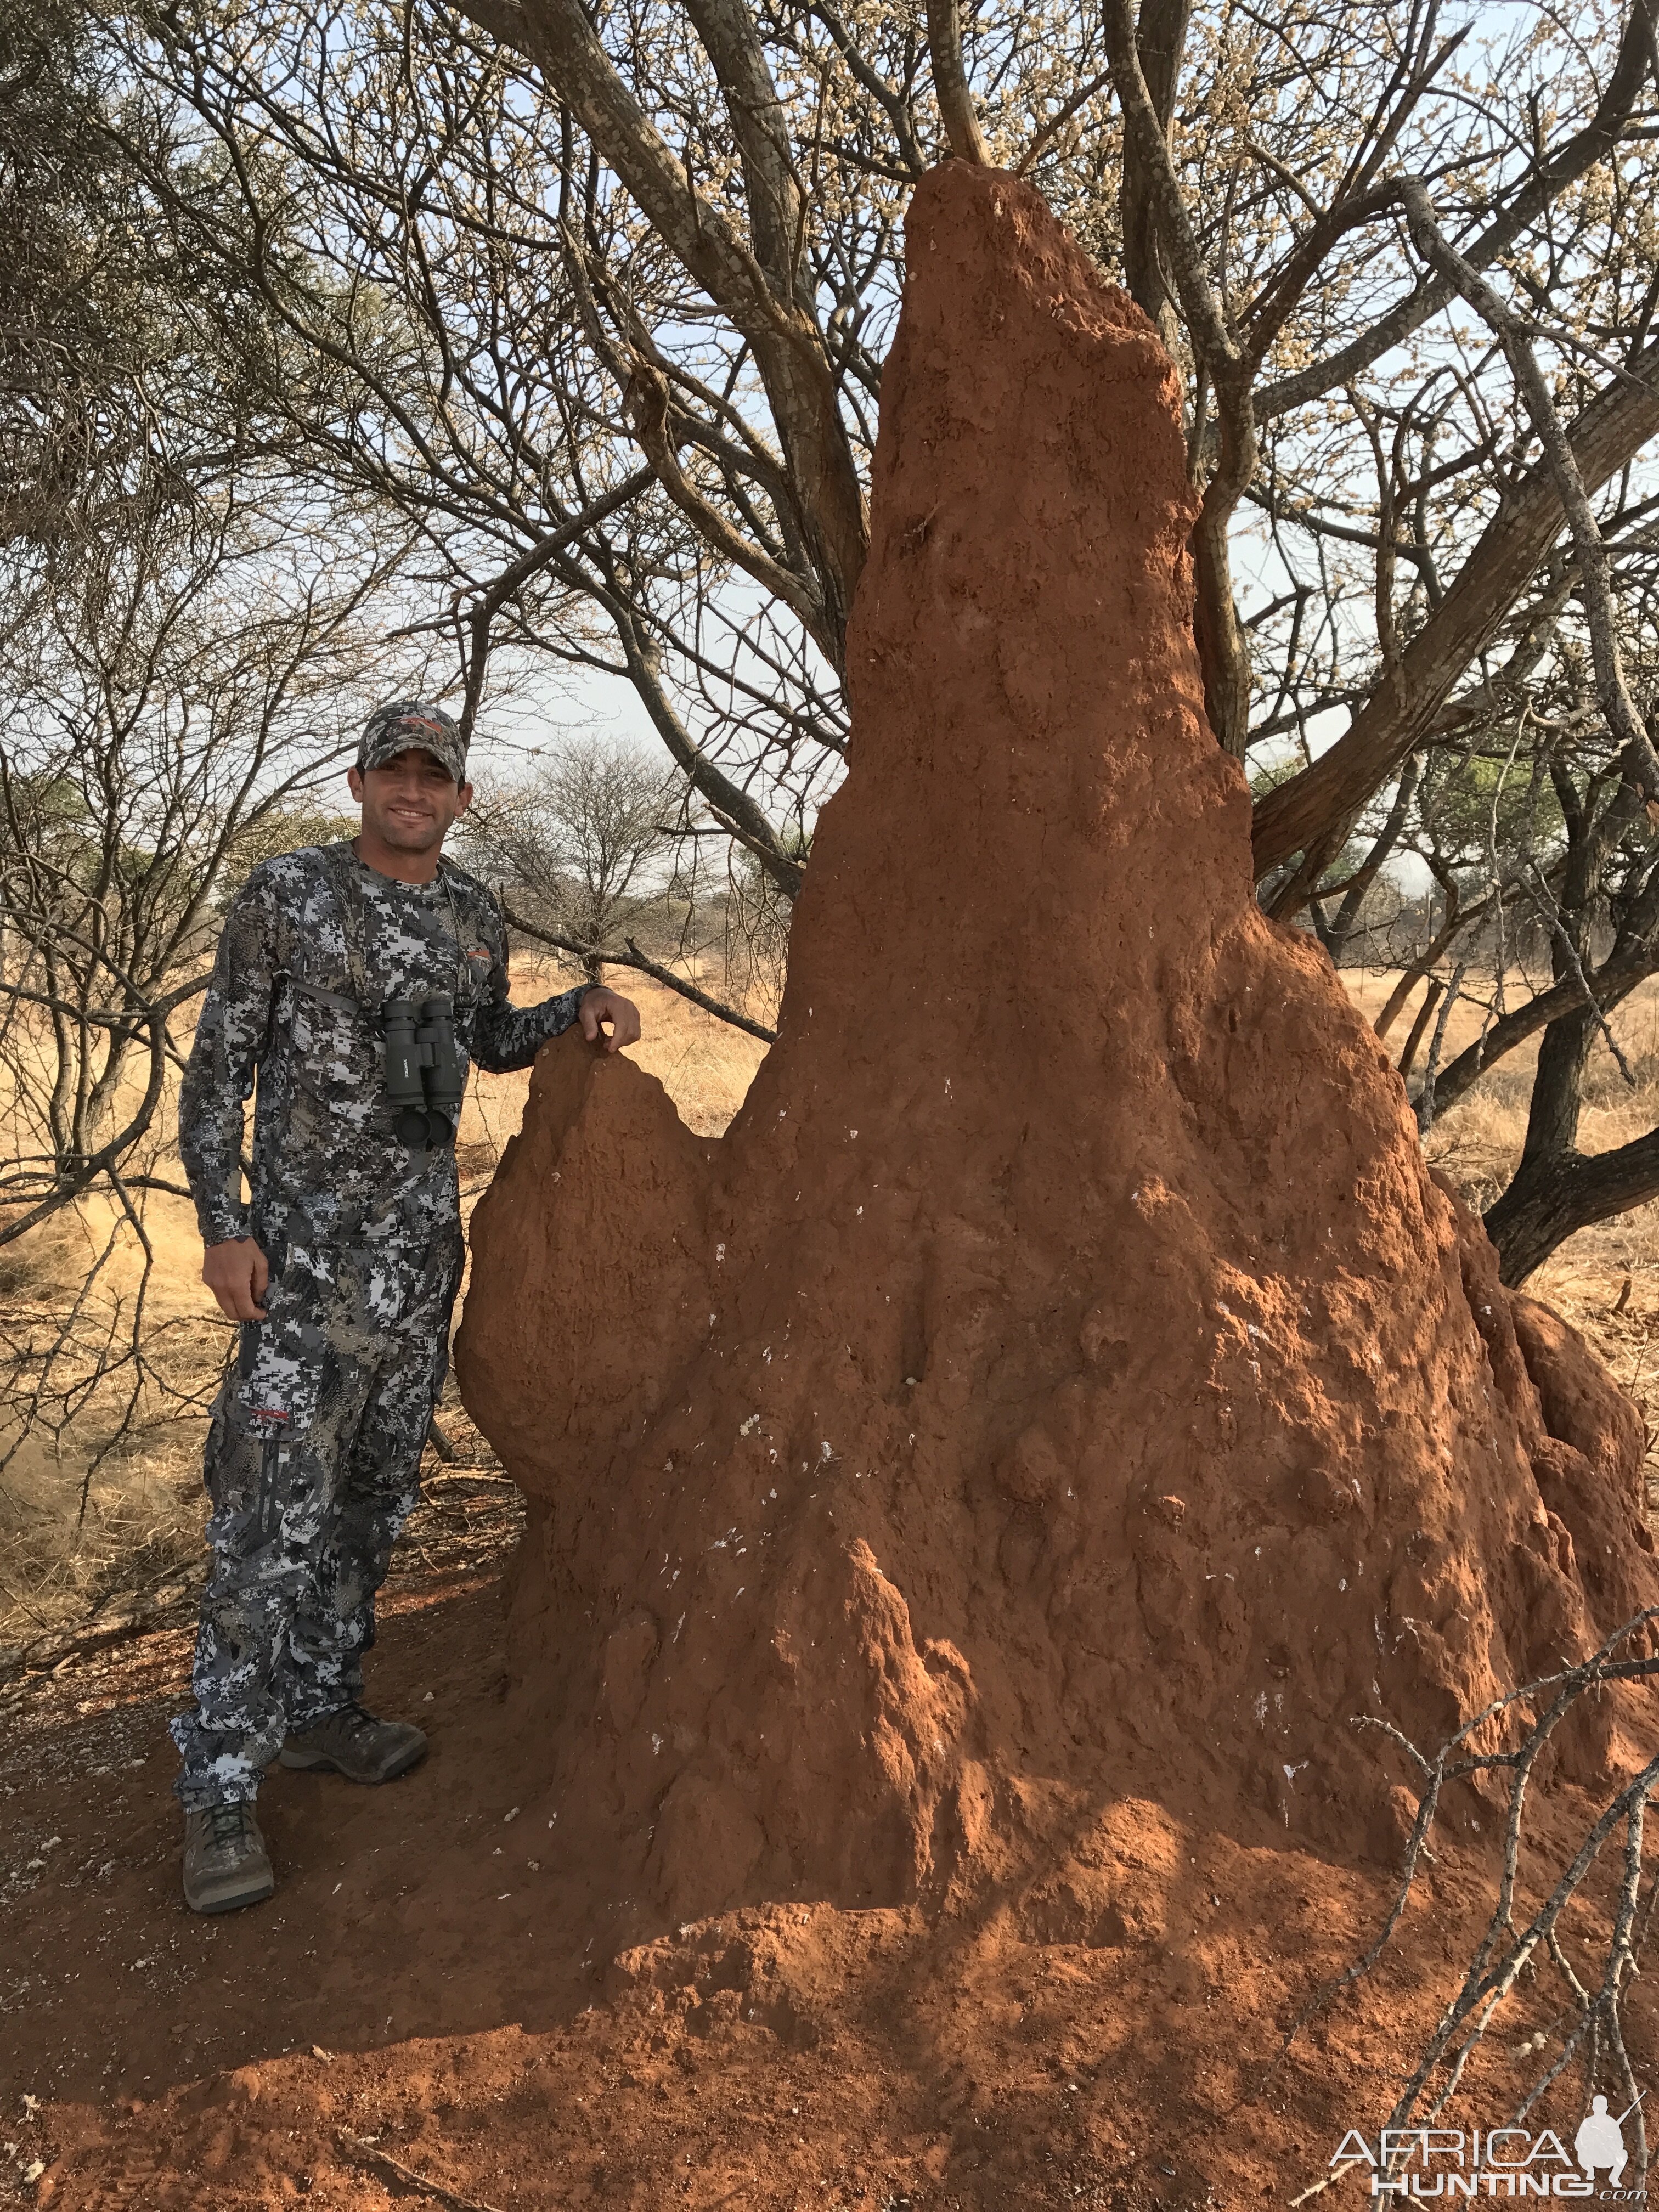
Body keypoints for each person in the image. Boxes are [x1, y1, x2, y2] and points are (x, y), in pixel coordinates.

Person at [172, 699, 641, 1914]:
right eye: (396, 773)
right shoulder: (287, 895)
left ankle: (325, 1712)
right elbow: (220, 1065)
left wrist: (580, 1007)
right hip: (301, 1272)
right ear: (361, 782)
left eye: (435, 777)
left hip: (418, 1268)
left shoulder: (471, 910)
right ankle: (219, 1791)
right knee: (267, 1520)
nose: (415, 793)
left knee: (375, 1503)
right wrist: (224, 1227)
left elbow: (486, 1039)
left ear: (462, 798)